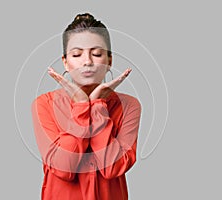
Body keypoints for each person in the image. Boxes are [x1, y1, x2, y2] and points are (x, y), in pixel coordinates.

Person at [31, 13, 142, 200]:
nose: (87, 61)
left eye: (97, 54)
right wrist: (82, 106)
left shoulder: (129, 106)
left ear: (109, 60)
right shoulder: (44, 104)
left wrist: (98, 106)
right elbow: (63, 169)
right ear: (65, 61)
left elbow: (112, 168)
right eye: (77, 54)